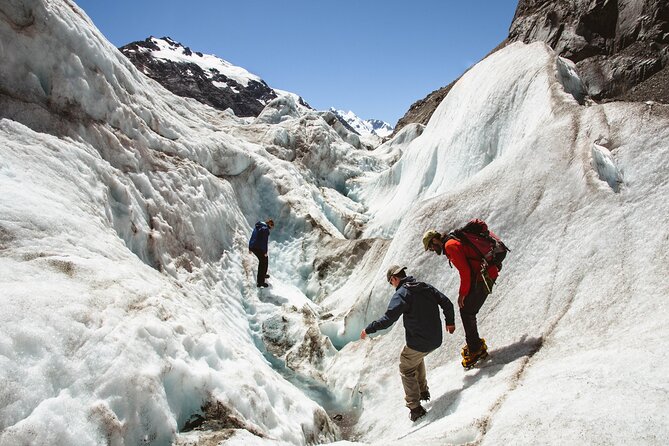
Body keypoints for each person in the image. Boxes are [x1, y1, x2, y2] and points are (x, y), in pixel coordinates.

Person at [360, 265, 455, 422]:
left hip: (419, 341)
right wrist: (450, 322)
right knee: (415, 357)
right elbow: (446, 302)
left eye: (391, 283)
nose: (392, 286)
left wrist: (368, 329)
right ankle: (423, 391)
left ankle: (415, 407)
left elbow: (388, 320)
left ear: (394, 279)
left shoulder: (402, 294)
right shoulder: (425, 287)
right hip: (436, 339)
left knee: (406, 366)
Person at [422, 229, 498, 368]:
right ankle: (475, 344)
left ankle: (475, 349)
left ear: (434, 240)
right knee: (467, 310)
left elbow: (465, 271)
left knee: (467, 311)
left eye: (431, 247)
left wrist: (462, 294)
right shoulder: (451, 242)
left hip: (484, 277)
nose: (433, 250)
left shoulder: (450, 246)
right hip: (484, 275)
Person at [248, 219, 274, 287]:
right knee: (263, 262)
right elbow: (264, 241)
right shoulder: (265, 229)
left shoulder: (258, 226)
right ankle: (260, 282)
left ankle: (263, 275)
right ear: (269, 224)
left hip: (254, 246)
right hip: (258, 247)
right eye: (271, 226)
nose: (271, 228)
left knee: (265, 260)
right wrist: (265, 251)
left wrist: (250, 247)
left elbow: (253, 237)